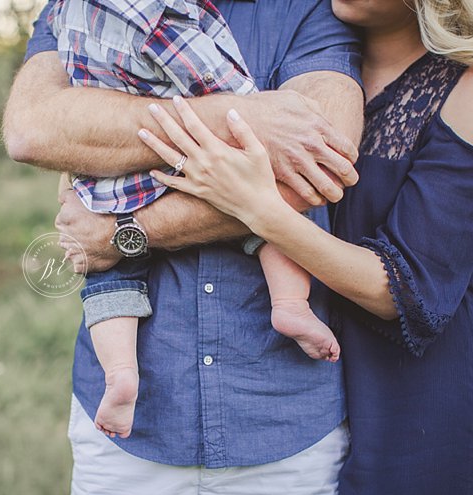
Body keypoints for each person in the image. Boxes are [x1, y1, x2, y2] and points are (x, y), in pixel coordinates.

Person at [135, 0, 473, 495]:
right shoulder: (309, 69)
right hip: (326, 379)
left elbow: (403, 288)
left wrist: (259, 209)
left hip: (424, 394)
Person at [3, 0, 364, 495]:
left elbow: (318, 164)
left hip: (280, 418)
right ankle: (124, 373)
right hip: (132, 437)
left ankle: (289, 305)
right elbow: (34, 130)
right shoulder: (80, 6)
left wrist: (125, 232)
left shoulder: (307, 8)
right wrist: (236, 118)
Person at [47, 0, 339, 441]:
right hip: (192, 161)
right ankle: (291, 305)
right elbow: (218, 83)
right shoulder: (156, 10)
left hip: (109, 176)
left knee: (109, 276)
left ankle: (122, 373)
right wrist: (251, 110)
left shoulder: (68, 10)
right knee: (266, 214)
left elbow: (62, 106)